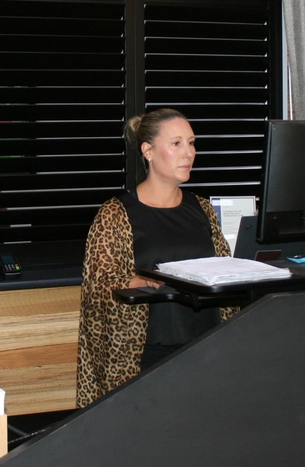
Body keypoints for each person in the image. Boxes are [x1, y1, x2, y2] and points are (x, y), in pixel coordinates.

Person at [76, 108, 237, 407]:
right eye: (176, 143)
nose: (188, 153)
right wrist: (140, 281)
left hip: (207, 345)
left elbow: (223, 269)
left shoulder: (201, 208)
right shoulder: (116, 213)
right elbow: (98, 286)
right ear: (148, 151)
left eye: (191, 143)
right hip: (146, 354)